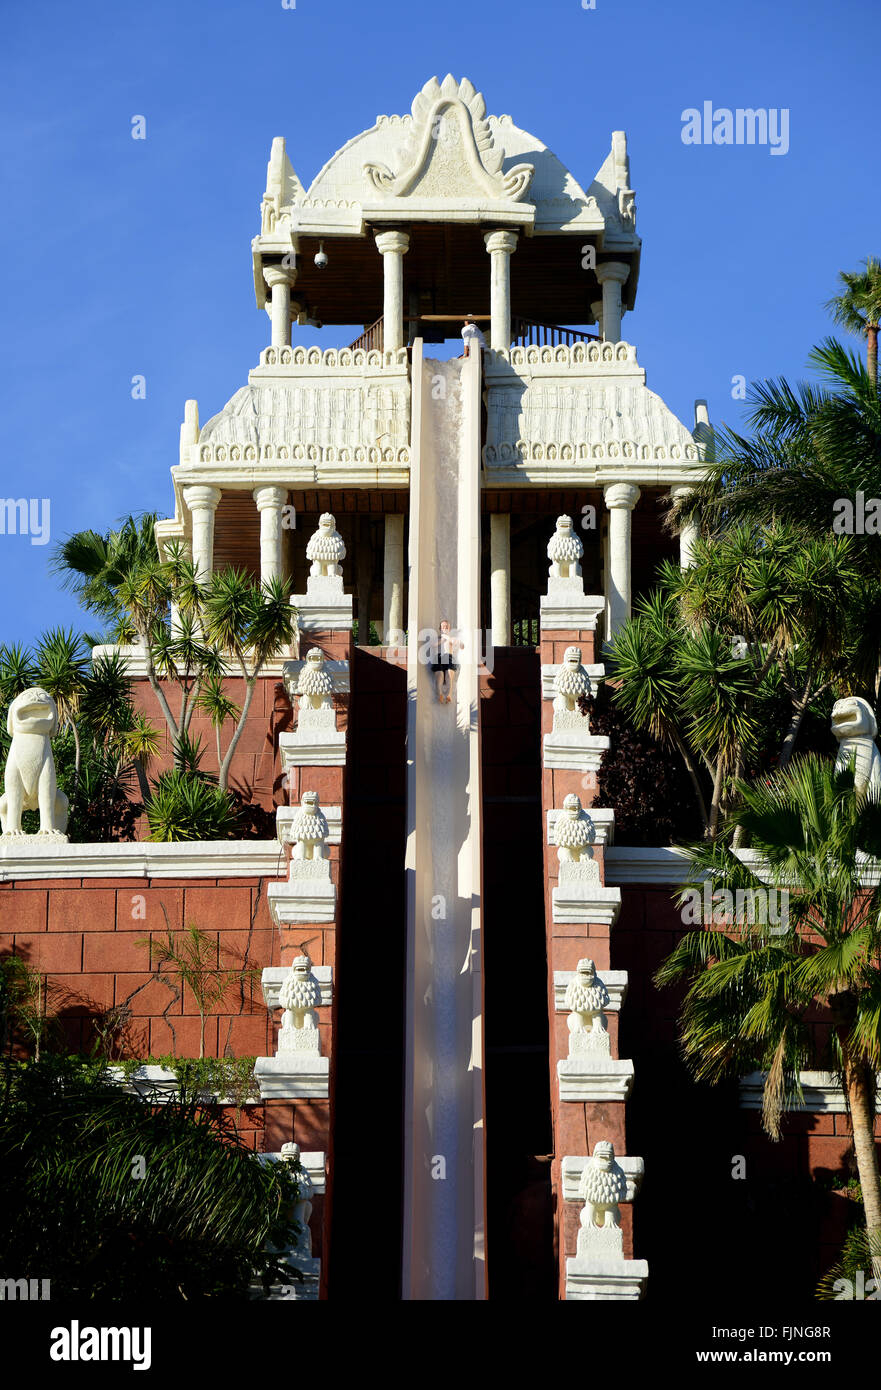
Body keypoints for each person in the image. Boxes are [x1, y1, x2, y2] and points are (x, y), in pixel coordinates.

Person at [431, 620, 463, 703]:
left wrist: (448, 638)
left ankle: (449, 694)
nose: (444, 628)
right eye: (443, 627)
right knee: (440, 675)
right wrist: (442, 639)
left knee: (449, 675)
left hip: (449, 657)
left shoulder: (451, 638)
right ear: (440, 629)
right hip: (438, 657)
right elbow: (432, 645)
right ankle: (440, 694)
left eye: (446, 627)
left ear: (449, 629)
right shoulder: (437, 638)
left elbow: (462, 646)